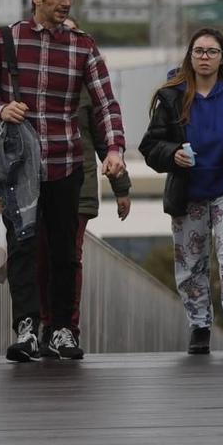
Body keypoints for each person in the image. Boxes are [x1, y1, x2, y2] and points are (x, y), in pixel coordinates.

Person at [0, 0, 128, 362]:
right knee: (23, 248)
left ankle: (61, 331)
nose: (66, 3)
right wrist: (1, 107)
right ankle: (25, 328)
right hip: (21, 166)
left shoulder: (83, 46)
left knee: (64, 253)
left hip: (66, 160)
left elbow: (106, 102)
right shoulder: (3, 40)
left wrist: (114, 150)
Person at [140, 28, 223, 354]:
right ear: (190, 56)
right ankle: (199, 325)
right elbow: (151, 145)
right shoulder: (172, 96)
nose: (205, 57)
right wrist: (172, 155)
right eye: (199, 51)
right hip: (189, 191)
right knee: (191, 261)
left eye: (211, 51)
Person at [37, 44, 132, 357]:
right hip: (38, 184)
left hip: (79, 186)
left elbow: (106, 138)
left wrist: (121, 187)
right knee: (40, 256)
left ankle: (66, 328)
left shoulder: (88, 90)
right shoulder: (33, 85)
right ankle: (45, 324)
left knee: (69, 256)